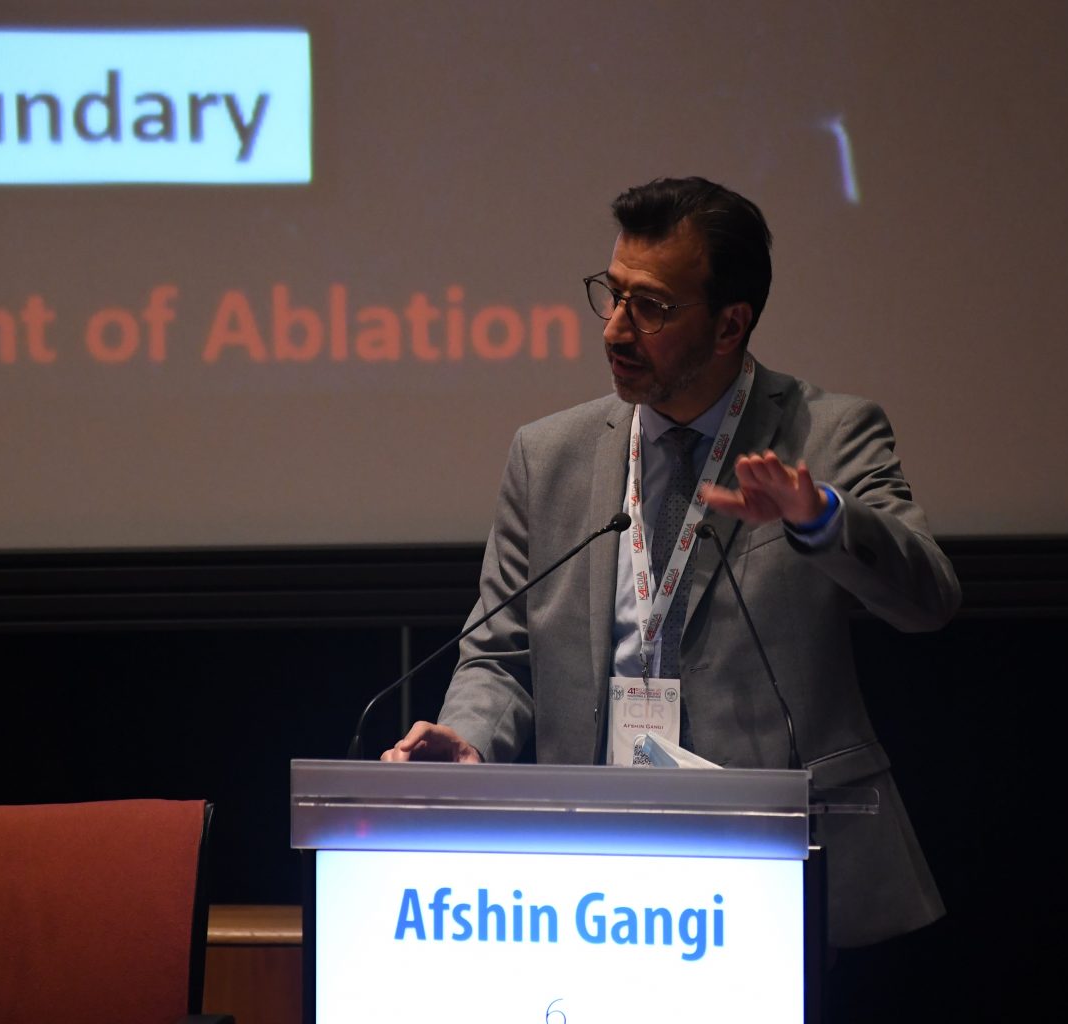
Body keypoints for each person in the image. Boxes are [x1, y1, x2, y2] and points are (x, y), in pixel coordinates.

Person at [383, 176, 960, 948]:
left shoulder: (828, 436)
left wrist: (820, 517)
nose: (617, 330)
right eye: (613, 294)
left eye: (651, 307)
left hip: (779, 872)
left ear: (730, 325)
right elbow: (501, 653)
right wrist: (471, 736)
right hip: (596, 882)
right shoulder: (548, 456)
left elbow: (928, 598)